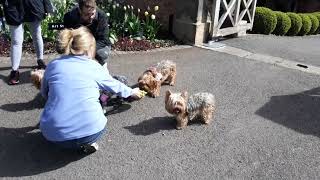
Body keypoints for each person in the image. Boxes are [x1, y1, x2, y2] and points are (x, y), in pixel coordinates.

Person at [40, 26, 143, 154]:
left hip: (54, 136)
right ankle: (86, 141)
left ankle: (64, 133)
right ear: (89, 49)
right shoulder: (93, 66)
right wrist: (132, 92)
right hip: (91, 131)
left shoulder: (53, 65)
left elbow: (44, 93)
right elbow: (115, 85)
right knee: (99, 98)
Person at [0, 0, 53, 85]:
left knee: (36, 36)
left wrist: (47, 7)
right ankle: (15, 70)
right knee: (16, 41)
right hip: (13, 8)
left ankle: (40, 61)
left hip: (33, 6)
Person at [64, 0, 112, 67]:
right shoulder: (69, 17)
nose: (91, 17)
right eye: (87, 14)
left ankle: (102, 68)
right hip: (77, 44)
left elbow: (104, 39)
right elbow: (67, 37)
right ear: (80, 10)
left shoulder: (101, 16)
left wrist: (87, 49)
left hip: (96, 43)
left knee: (102, 54)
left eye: (92, 14)